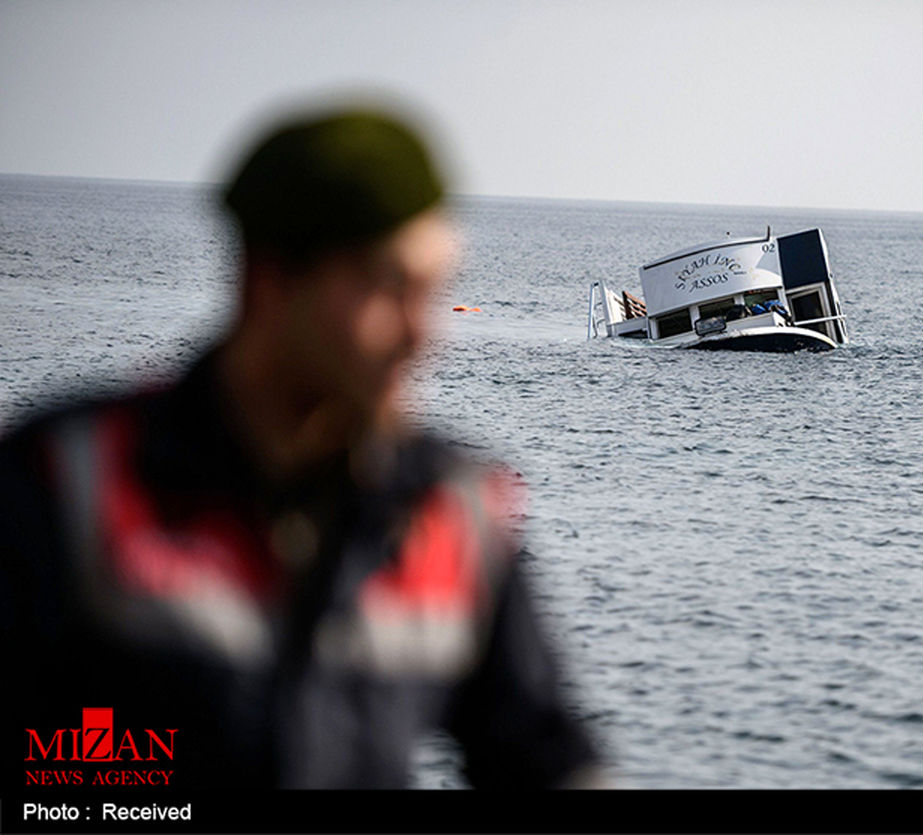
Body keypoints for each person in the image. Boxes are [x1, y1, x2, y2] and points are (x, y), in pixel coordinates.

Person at [0, 106, 601, 789]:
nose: (423, 334)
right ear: (270, 281)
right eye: (388, 288)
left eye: (433, 290)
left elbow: (544, 755)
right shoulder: (71, 481)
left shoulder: (454, 511)